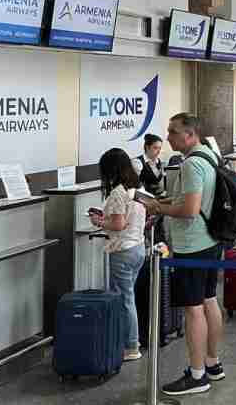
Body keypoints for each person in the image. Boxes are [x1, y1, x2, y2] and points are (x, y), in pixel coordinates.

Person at [141, 113, 225, 396]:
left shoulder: (191, 165)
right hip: (211, 241)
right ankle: (212, 363)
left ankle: (198, 374)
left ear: (190, 135)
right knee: (209, 299)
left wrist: (158, 208)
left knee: (193, 309)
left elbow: (189, 210)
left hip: (193, 245)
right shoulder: (211, 157)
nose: (168, 137)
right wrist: (166, 201)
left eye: (173, 132)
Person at [90, 148, 147, 362]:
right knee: (128, 297)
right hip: (138, 247)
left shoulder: (117, 192)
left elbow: (118, 223)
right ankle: (130, 342)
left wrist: (99, 222)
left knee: (125, 299)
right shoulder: (137, 189)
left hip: (122, 251)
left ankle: (131, 346)